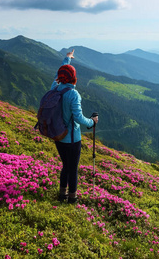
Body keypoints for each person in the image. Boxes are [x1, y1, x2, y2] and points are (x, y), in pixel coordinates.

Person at [52, 49, 98, 203]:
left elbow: (60, 74)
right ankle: (72, 198)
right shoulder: (73, 94)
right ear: (74, 78)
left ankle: (62, 194)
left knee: (65, 166)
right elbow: (78, 117)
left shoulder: (55, 87)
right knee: (73, 169)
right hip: (72, 139)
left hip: (58, 136)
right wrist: (92, 122)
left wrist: (67, 59)